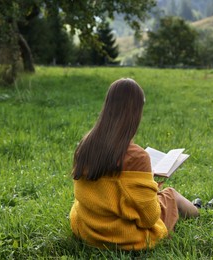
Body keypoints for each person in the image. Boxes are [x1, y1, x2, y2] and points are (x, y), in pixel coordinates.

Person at [69, 78, 200, 250]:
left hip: (89, 229)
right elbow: (150, 217)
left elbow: (110, 189)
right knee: (170, 195)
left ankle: (196, 206)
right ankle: (198, 210)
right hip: (122, 237)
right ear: (135, 113)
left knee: (163, 196)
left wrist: (143, 183)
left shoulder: (85, 145)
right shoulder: (137, 156)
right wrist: (151, 185)